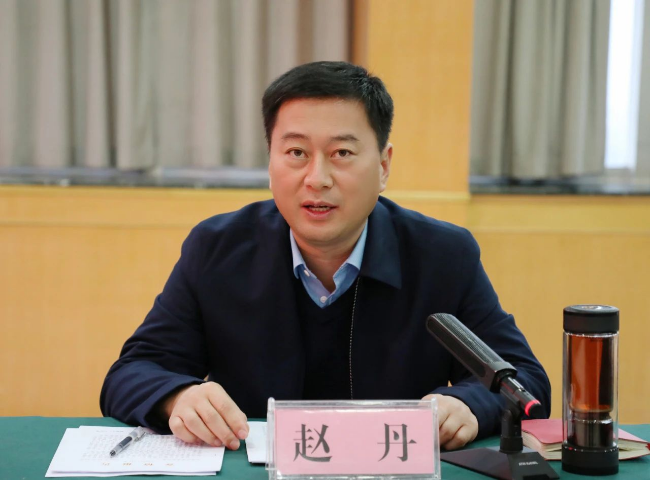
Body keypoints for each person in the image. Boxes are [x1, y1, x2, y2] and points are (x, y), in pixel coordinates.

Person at [101, 61, 550, 453]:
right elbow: (132, 372)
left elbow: (525, 381)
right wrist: (177, 397)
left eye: (342, 153)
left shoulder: (442, 256)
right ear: (271, 162)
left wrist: (465, 404)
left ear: (383, 165)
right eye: (296, 153)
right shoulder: (218, 249)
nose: (317, 178)